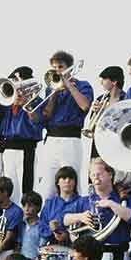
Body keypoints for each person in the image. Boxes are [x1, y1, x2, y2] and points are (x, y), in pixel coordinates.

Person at [36, 51, 93, 199]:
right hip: (51, 139)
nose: (57, 71)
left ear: (70, 68)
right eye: (54, 67)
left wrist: (69, 86)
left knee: (71, 186)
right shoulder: (51, 88)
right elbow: (46, 114)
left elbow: (85, 106)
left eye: (60, 67)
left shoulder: (83, 85)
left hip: (71, 140)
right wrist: (54, 92)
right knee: (47, 187)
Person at [62, 158, 131, 260]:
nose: (95, 178)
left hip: (117, 254)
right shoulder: (84, 201)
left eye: (99, 174)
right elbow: (65, 219)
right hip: (88, 256)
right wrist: (81, 217)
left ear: (110, 174)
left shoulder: (122, 200)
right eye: (92, 175)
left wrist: (111, 204)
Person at [0, 66, 45, 204]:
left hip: (25, 148)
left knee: (26, 186)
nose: (15, 85)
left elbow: (37, 121)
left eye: (18, 81)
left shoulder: (36, 100)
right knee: (9, 186)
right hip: (8, 148)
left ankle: (27, 218)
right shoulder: (8, 102)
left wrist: (26, 102)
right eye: (13, 81)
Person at [82, 66, 126, 189]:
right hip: (99, 144)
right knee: (96, 176)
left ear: (114, 81)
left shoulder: (126, 99)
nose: (101, 82)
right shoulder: (100, 99)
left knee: (116, 179)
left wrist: (108, 112)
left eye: (104, 79)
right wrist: (96, 112)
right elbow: (92, 124)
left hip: (117, 145)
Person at [19, 191, 43, 260]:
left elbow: (41, 253)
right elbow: (18, 246)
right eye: (24, 206)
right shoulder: (21, 224)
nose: (26, 209)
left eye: (30, 206)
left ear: (38, 207)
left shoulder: (41, 227)